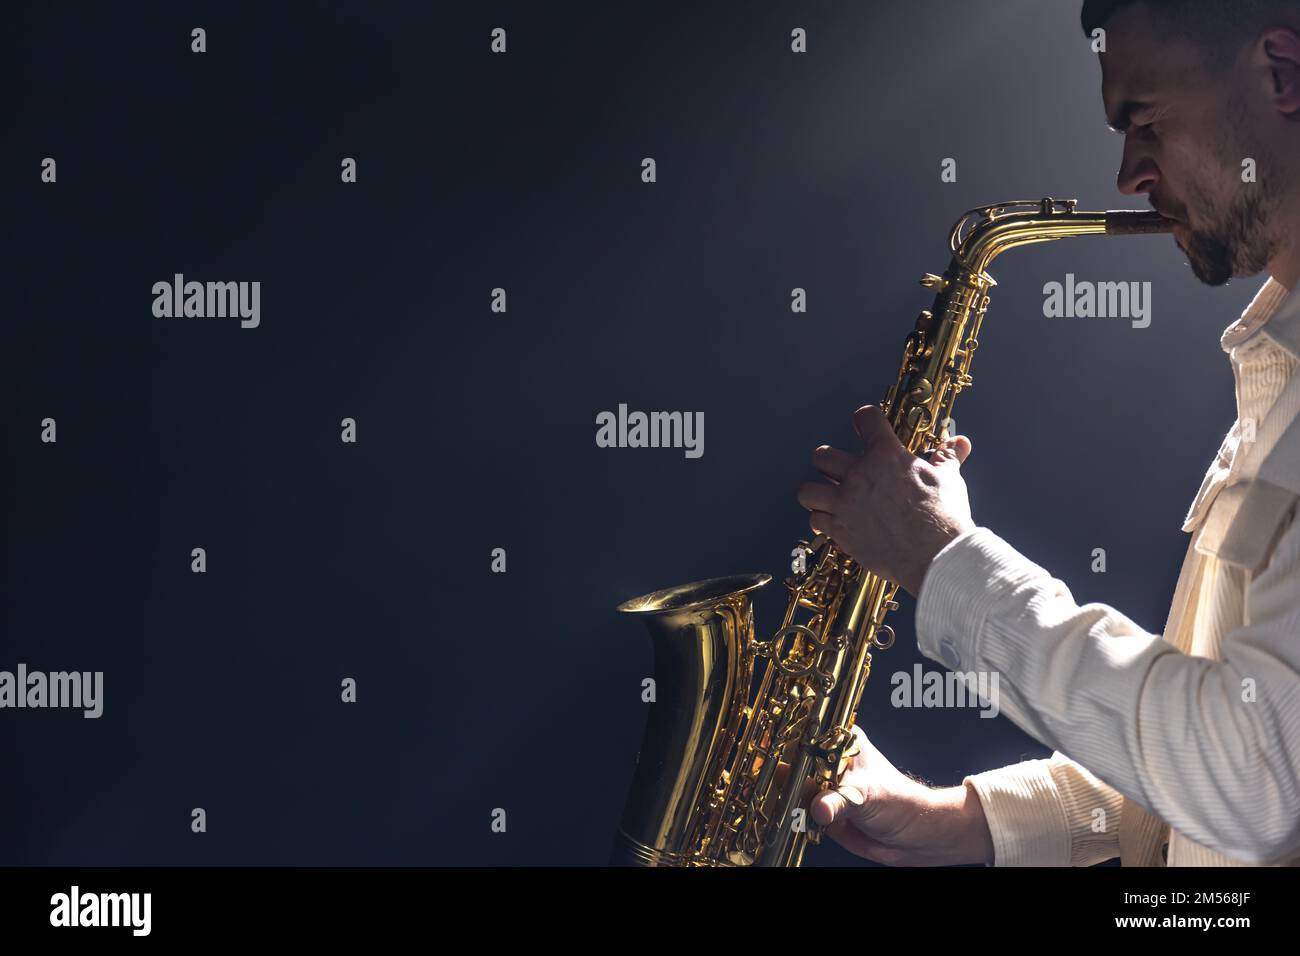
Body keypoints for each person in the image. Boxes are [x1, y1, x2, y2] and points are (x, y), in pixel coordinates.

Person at [795, 0, 1300, 867]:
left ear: (1282, 73)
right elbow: (1219, 736)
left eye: (1143, 122)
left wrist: (943, 557)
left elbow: (1257, 781)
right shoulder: (1279, 374)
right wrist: (976, 818)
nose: (1129, 176)